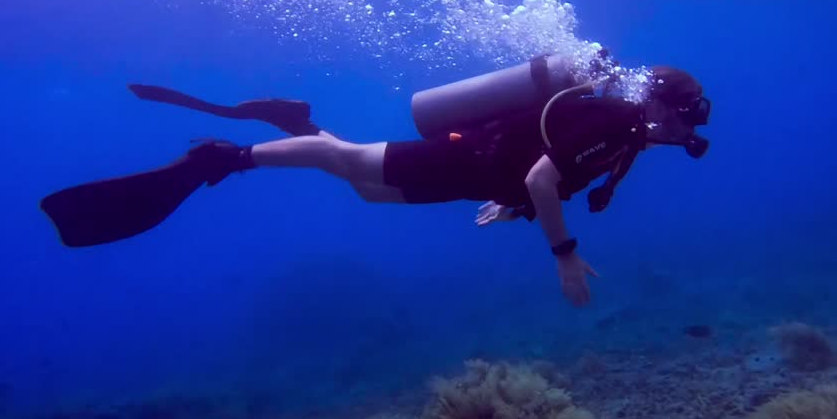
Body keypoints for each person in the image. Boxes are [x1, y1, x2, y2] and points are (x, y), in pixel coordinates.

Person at [40, 55, 711, 306]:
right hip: (460, 158)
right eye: (687, 119)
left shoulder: (625, 134)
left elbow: (546, 175)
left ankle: (295, 123)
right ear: (661, 103)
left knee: (359, 179)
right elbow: (543, 176)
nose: (687, 134)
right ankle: (223, 158)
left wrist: (512, 208)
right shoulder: (618, 119)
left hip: (473, 173)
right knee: (351, 165)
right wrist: (563, 257)